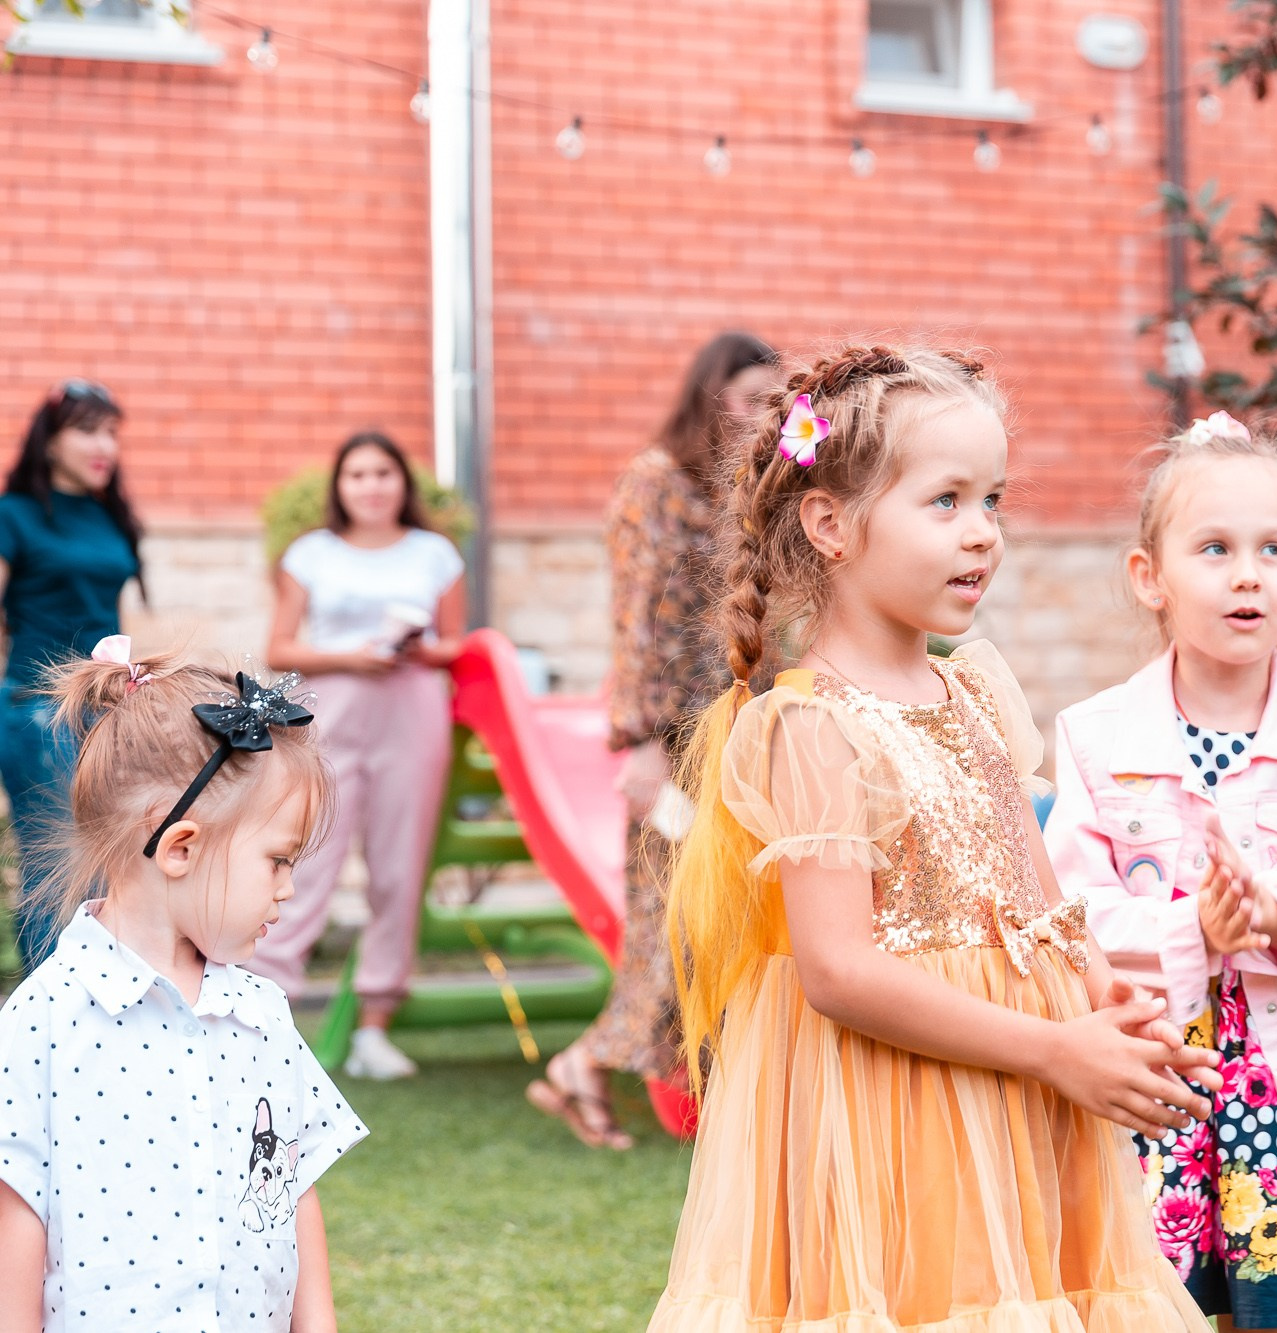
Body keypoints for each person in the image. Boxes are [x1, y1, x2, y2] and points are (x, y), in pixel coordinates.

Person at [647, 344, 1221, 1331]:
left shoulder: (973, 695)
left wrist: (1097, 992)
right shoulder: (813, 727)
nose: (981, 534)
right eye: (944, 501)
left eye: (990, 500)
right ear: (829, 524)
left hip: (1016, 1096)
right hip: (895, 1108)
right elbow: (838, 971)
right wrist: (1049, 1047)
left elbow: (1042, 904)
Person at [1045, 411, 1277, 1328]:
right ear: (1151, 577)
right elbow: (1065, 914)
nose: (1247, 573)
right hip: (1152, 1068)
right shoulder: (1095, 740)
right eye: (1214, 548)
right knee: (1139, 1299)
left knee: (1263, 1307)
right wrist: (1188, 931)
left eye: (1273, 550)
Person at [0, 640, 365, 1332]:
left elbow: (289, 1185)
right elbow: (15, 1213)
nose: (289, 888)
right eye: (277, 860)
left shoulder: (261, 1014)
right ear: (181, 847)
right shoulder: (43, 1023)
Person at [527, 331, 780, 1149]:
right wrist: (636, 739)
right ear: (710, 398)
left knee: (716, 916)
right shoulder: (657, 482)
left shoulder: (748, 489)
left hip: (738, 731)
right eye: (748, 398)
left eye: (774, 401)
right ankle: (590, 1063)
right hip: (671, 741)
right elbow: (638, 617)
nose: (760, 416)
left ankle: (596, 1069)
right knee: (673, 919)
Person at [256, 430, 466, 1080]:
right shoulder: (310, 554)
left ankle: (376, 1022)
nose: (372, 485)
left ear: (402, 481)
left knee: (397, 870)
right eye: (357, 474)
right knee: (305, 860)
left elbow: (457, 640)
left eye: (383, 472)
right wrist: (353, 656)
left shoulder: (436, 554)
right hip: (332, 715)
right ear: (339, 486)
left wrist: (418, 649)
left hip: (411, 714)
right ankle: (269, 1017)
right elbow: (280, 648)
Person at [0, 380, 144, 974]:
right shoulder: (15, 514)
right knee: (58, 860)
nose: (104, 445)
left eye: (112, 432)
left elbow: (110, 617)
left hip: (105, 706)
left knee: (113, 858)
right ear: (50, 440)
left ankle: (95, 1008)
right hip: (38, 708)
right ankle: (45, 1018)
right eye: (88, 430)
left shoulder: (110, 517)